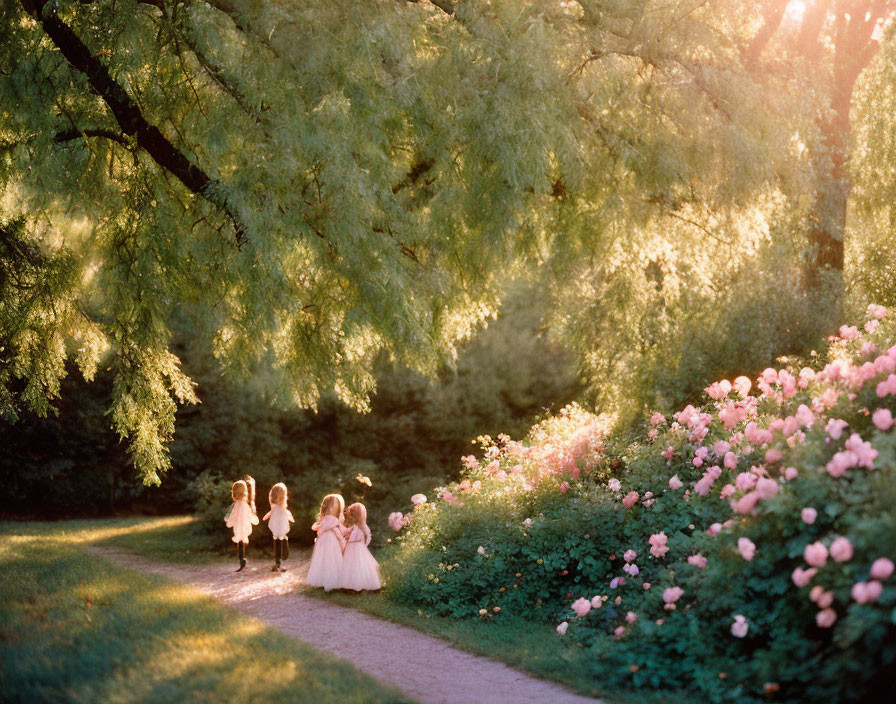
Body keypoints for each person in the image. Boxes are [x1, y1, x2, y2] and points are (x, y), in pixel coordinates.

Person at [305, 493, 345, 591]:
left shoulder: (324, 520)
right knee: (331, 559)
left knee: (323, 558)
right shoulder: (333, 520)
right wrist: (342, 540)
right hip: (331, 540)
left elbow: (315, 528)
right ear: (332, 508)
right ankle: (331, 581)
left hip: (323, 540)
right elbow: (338, 531)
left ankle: (322, 580)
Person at [338, 502, 381, 591]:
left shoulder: (363, 527)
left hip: (358, 547)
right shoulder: (354, 527)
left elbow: (368, 535)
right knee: (350, 565)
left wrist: (365, 545)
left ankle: (360, 583)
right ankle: (349, 583)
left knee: (359, 564)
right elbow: (347, 532)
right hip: (350, 547)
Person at [225, 479, 258, 572]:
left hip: (239, 528)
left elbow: (232, 516)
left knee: (240, 542)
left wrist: (229, 523)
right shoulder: (245, 505)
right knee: (242, 541)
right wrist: (255, 520)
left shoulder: (236, 506)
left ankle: (242, 559)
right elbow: (250, 516)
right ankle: (242, 559)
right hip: (245, 527)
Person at [262, 482, 294, 572]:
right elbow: (288, 515)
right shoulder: (281, 507)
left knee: (277, 543)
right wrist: (291, 519)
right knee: (281, 540)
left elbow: (269, 514)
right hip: (281, 528)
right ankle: (280, 560)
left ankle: (278, 562)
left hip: (276, 528)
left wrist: (265, 517)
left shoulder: (275, 507)